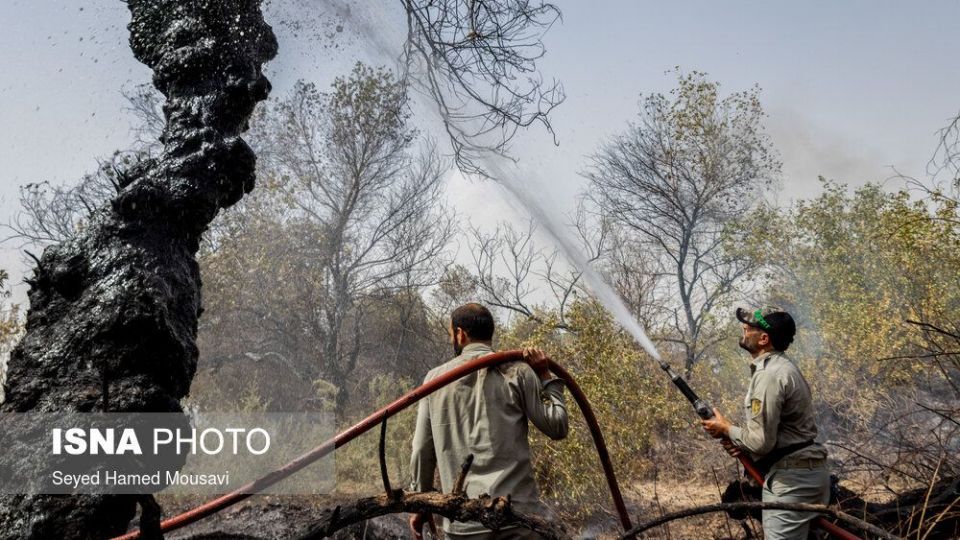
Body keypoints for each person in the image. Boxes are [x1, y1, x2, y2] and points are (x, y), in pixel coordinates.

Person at [408, 303, 568, 540]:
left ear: (460, 334)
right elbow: (557, 426)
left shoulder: (434, 380)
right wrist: (545, 376)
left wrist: (420, 504)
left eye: (451, 334)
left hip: (463, 524)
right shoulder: (517, 371)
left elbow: (422, 449)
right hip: (517, 519)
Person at [701, 306, 830, 540]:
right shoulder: (783, 367)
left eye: (749, 327)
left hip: (791, 482)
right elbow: (777, 436)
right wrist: (739, 442)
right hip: (807, 476)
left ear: (763, 339)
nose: (744, 327)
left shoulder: (769, 375)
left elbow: (761, 443)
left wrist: (726, 429)